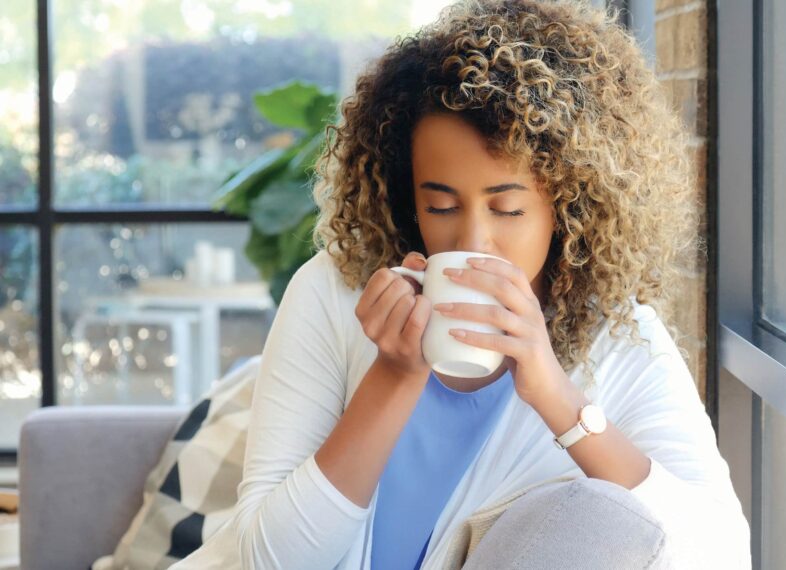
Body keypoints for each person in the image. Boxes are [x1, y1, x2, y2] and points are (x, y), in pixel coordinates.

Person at [171, 0, 751, 568]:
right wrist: (394, 376)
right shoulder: (333, 292)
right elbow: (269, 561)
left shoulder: (619, 338)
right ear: (408, 199)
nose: (472, 241)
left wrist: (555, 394)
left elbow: (722, 552)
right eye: (441, 205)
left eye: (508, 209)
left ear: (568, 203)